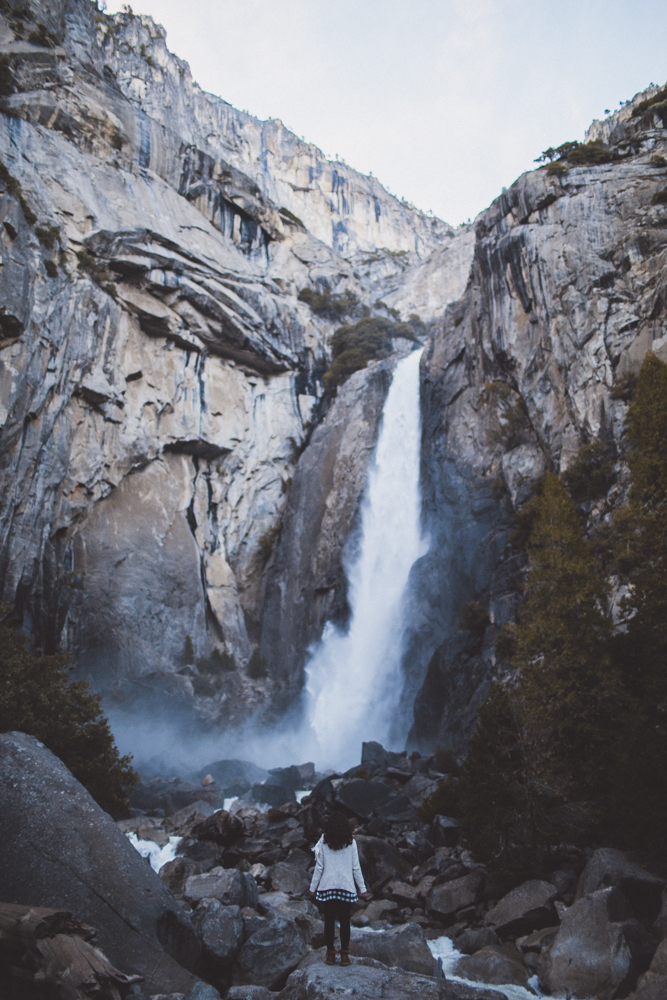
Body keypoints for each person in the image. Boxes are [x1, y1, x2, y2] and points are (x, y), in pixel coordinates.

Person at [309, 812, 370, 966]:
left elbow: (319, 867)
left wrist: (313, 887)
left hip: (327, 886)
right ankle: (344, 955)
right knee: (345, 921)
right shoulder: (351, 842)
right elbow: (356, 868)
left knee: (329, 921)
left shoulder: (324, 841)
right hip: (346, 886)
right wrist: (362, 889)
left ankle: (330, 954)